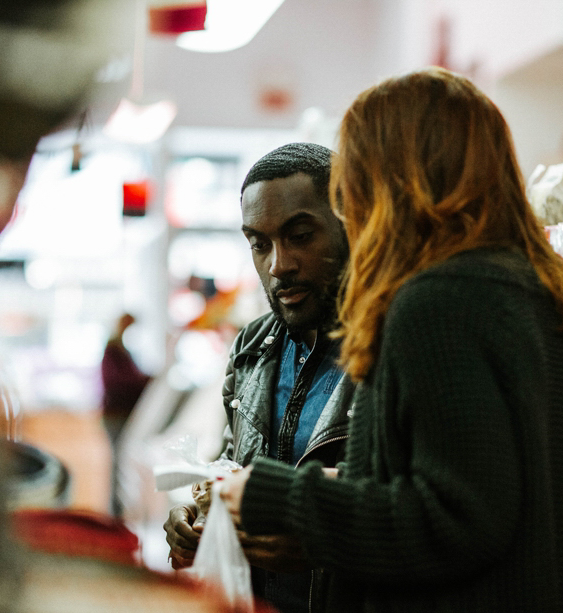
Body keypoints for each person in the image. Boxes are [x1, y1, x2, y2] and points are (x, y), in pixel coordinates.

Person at [219, 68, 563, 612]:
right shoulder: (529, 288)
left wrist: (280, 497)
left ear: (394, 179)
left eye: (355, 178)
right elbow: (484, 481)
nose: (350, 204)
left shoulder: (437, 303)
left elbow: (456, 517)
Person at [164, 143, 354, 613]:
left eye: (302, 235)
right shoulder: (252, 346)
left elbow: (416, 499)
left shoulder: (390, 348)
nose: (278, 265)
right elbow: (234, 461)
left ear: (349, 226)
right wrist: (197, 514)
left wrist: (328, 541)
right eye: (259, 243)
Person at [102, 313, 151, 517]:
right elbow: (118, 383)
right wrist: (144, 381)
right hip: (116, 416)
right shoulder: (113, 351)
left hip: (123, 415)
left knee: (121, 462)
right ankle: (115, 513)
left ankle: (119, 511)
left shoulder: (122, 350)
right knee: (118, 463)